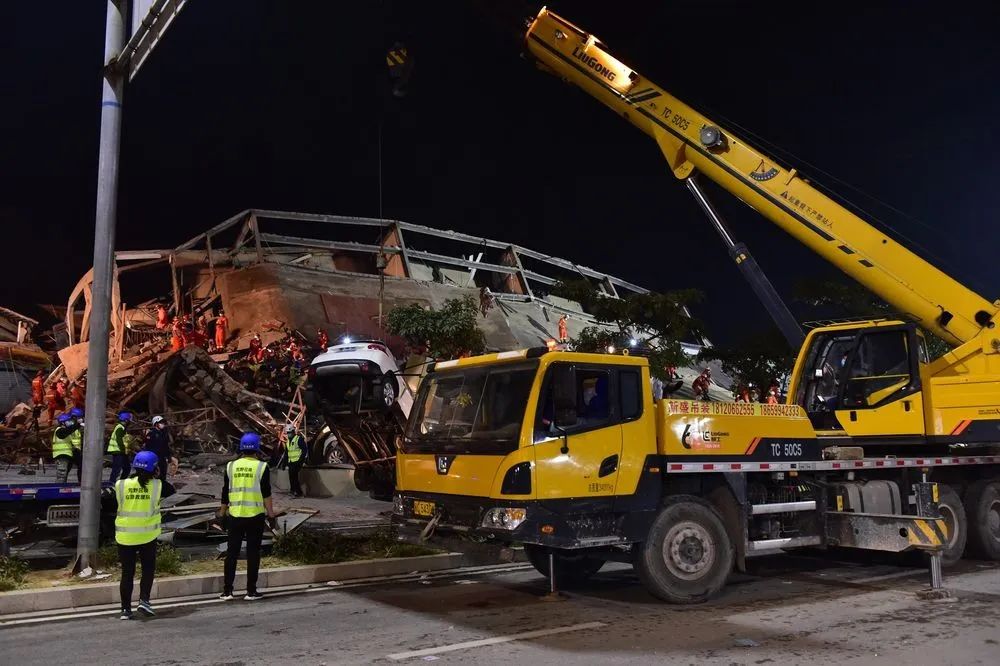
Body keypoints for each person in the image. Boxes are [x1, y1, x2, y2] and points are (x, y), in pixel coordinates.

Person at [114, 450, 173, 620]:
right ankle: (144, 601)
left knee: (127, 573)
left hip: (125, 537)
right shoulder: (158, 485)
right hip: (147, 536)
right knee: (147, 570)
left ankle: (125, 609)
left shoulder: (121, 485)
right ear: (155, 469)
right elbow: (171, 490)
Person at [220, 432, 276, 601]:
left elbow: (225, 493)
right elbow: (266, 494)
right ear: (257, 449)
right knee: (253, 554)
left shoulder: (230, 466)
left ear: (242, 449)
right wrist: (271, 515)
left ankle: (227, 591)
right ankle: (251, 591)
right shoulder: (262, 467)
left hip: (235, 515)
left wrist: (222, 513)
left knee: (232, 553)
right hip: (255, 517)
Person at [144, 416, 178, 485]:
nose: (163, 424)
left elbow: (165, 446)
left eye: (163, 423)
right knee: (153, 473)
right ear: (156, 424)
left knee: (163, 473)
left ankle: (161, 487)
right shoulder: (151, 434)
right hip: (153, 456)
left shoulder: (163, 434)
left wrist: (169, 456)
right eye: (161, 423)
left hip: (162, 457)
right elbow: (147, 446)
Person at [51, 413, 80, 483]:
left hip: (67, 455)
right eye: (68, 421)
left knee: (65, 473)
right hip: (61, 455)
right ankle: (59, 488)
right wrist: (76, 425)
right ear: (63, 422)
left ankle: (62, 486)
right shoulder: (59, 430)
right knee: (62, 474)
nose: (70, 422)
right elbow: (64, 433)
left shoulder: (66, 431)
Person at [282, 424, 307, 498]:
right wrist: (284, 463)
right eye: (287, 433)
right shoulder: (288, 442)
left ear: (293, 431)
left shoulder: (298, 439)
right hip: (291, 462)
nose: (288, 434)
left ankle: (299, 493)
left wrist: (300, 461)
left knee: (294, 477)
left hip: (297, 462)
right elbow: (286, 453)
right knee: (291, 477)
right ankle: (293, 490)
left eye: (289, 432)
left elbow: (304, 451)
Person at [108, 411, 132, 483]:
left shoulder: (122, 428)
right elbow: (119, 441)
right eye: (128, 420)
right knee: (117, 468)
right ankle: (112, 482)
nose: (129, 422)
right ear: (125, 420)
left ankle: (121, 481)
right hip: (118, 451)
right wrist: (124, 450)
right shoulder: (120, 428)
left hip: (121, 451)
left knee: (127, 467)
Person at [68, 407, 85, 482]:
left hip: (76, 450)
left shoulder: (77, 425)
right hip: (71, 449)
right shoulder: (69, 425)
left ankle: (80, 482)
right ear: (74, 417)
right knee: (68, 468)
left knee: (81, 467)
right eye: (79, 417)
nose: (81, 418)